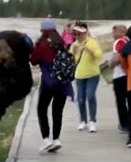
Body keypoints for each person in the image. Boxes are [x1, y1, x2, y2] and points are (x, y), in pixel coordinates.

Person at [31, 19, 74, 153]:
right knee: (57, 111)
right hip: (63, 83)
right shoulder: (61, 43)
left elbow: (33, 61)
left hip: (49, 82)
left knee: (41, 109)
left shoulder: (42, 44)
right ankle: (56, 139)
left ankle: (46, 139)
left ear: (43, 30)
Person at [70, 22, 103, 133]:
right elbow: (71, 61)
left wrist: (90, 50)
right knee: (80, 98)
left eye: (79, 34)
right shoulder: (74, 45)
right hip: (79, 75)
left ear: (85, 33)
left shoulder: (92, 42)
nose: (77, 36)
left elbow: (99, 56)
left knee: (90, 96)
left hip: (92, 74)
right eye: (76, 34)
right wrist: (73, 52)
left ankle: (92, 121)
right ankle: (83, 121)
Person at [109, 25, 129, 133]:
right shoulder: (128, 41)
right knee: (130, 100)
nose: (112, 34)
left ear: (121, 32)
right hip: (129, 74)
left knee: (120, 101)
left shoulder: (119, 42)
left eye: (114, 32)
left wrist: (111, 64)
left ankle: (124, 124)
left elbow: (116, 59)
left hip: (120, 75)